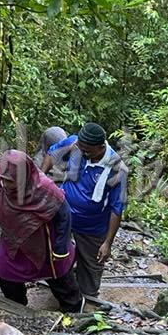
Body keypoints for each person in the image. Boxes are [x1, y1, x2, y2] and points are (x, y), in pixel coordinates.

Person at [0, 149, 84, 313]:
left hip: (43, 241)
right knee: (7, 275)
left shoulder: (46, 188)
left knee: (59, 278)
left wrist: (60, 247)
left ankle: (73, 307)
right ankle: (17, 306)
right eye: (4, 179)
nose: (6, 184)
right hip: (13, 239)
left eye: (11, 181)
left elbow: (64, 215)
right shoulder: (2, 184)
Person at [41, 122, 127, 298]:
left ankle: (87, 300)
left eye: (87, 150)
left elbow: (116, 209)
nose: (82, 151)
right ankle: (63, 292)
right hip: (64, 216)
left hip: (92, 227)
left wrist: (108, 243)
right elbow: (52, 153)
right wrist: (40, 177)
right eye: (80, 147)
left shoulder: (117, 169)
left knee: (90, 267)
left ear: (101, 147)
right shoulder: (76, 144)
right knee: (56, 255)